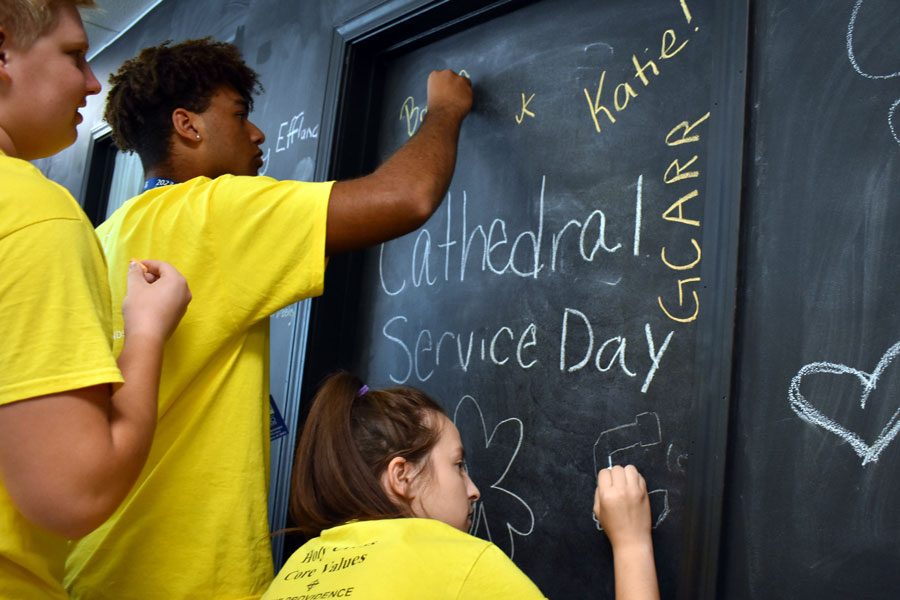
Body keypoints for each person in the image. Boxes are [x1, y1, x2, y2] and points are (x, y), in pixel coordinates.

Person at [65, 38, 473, 599]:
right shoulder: (215, 209)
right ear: (187, 126)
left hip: (91, 566)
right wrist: (445, 108)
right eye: (239, 116)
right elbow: (407, 196)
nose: (257, 134)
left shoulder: (101, 240)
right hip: (187, 578)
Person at [0, 1, 191, 598]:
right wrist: (147, 332)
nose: (91, 80)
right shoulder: (32, 213)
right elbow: (74, 491)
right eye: (73, 54)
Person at [262, 372, 660, 600]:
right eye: (458, 465)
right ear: (402, 477)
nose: (474, 490)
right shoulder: (461, 565)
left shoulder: (295, 572)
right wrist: (632, 545)